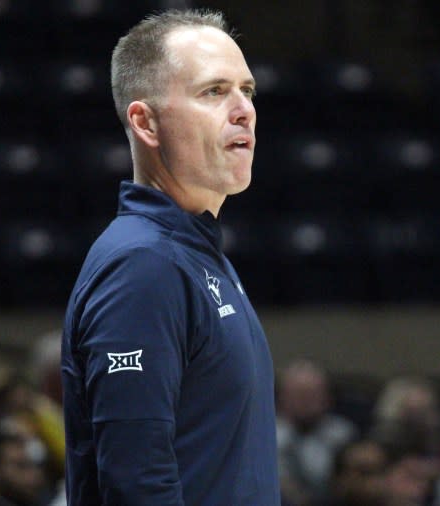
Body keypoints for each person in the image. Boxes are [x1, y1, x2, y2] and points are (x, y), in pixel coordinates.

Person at [60, 8, 279, 505]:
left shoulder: (194, 253)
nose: (244, 109)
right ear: (146, 122)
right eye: (214, 91)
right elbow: (139, 485)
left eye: (247, 90)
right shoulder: (143, 266)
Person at [276, 360, 357, 505]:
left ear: (328, 398)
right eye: (298, 394)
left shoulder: (344, 434)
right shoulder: (266, 436)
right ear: (281, 397)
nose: (305, 401)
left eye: (312, 394)